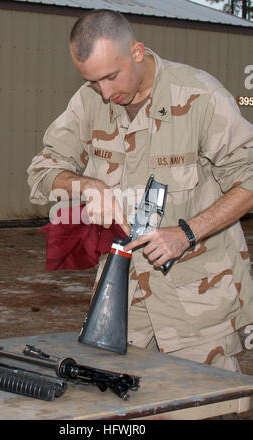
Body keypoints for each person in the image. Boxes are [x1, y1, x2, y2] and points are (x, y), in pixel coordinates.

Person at [27, 9, 253, 372]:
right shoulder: (90, 101)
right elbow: (41, 171)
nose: (105, 91)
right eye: (93, 80)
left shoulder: (199, 96)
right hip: (121, 304)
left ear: (136, 52)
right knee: (122, 411)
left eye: (111, 77)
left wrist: (186, 233)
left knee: (200, 408)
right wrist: (86, 185)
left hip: (196, 308)